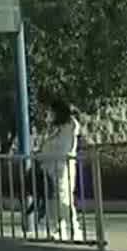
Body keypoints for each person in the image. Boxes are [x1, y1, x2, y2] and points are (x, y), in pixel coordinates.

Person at [34, 98, 84, 240]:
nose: (48, 114)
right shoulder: (53, 128)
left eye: (51, 111)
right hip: (49, 168)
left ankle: (75, 229)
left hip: (62, 168)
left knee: (64, 200)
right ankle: (56, 230)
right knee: (52, 200)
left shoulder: (70, 126)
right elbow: (47, 146)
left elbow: (62, 147)